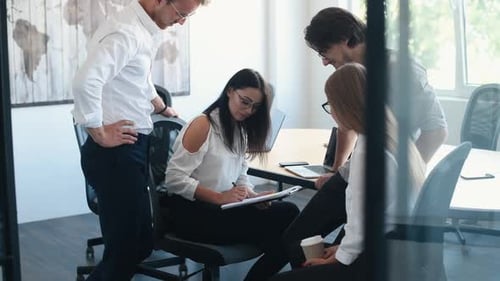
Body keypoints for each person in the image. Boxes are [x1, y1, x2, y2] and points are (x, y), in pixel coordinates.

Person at [281, 6, 449, 269]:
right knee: (296, 239)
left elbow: (436, 131)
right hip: (356, 175)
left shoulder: (400, 70)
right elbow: (348, 123)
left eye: (324, 51)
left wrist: (401, 181)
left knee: (348, 252)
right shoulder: (349, 72)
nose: (323, 61)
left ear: (348, 39)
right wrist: (336, 171)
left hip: (385, 182)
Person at [71, 0, 208, 280]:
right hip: (115, 156)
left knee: (143, 242)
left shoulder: (143, 28)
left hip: (131, 149)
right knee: (124, 251)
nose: (182, 22)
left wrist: (159, 106)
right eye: (181, 14)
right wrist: (98, 131)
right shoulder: (126, 32)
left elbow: (139, 77)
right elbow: (86, 82)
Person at [272, 63, 426, 281]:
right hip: (389, 252)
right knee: (302, 252)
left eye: (331, 105)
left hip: (370, 263)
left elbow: (361, 221)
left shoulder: (367, 153)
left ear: (345, 105)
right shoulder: (391, 135)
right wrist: (342, 249)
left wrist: (339, 257)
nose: (332, 113)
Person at [162, 68, 300, 281]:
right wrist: (218, 197)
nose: (248, 110)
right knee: (284, 225)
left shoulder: (239, 128)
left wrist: (252, 196)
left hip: (223, 208)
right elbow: (173, 179)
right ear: (229, 91)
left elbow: (241, 173)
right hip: (193, 212)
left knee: (287, 218)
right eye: (244, 101)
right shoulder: (203, 124)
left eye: (255, 107)